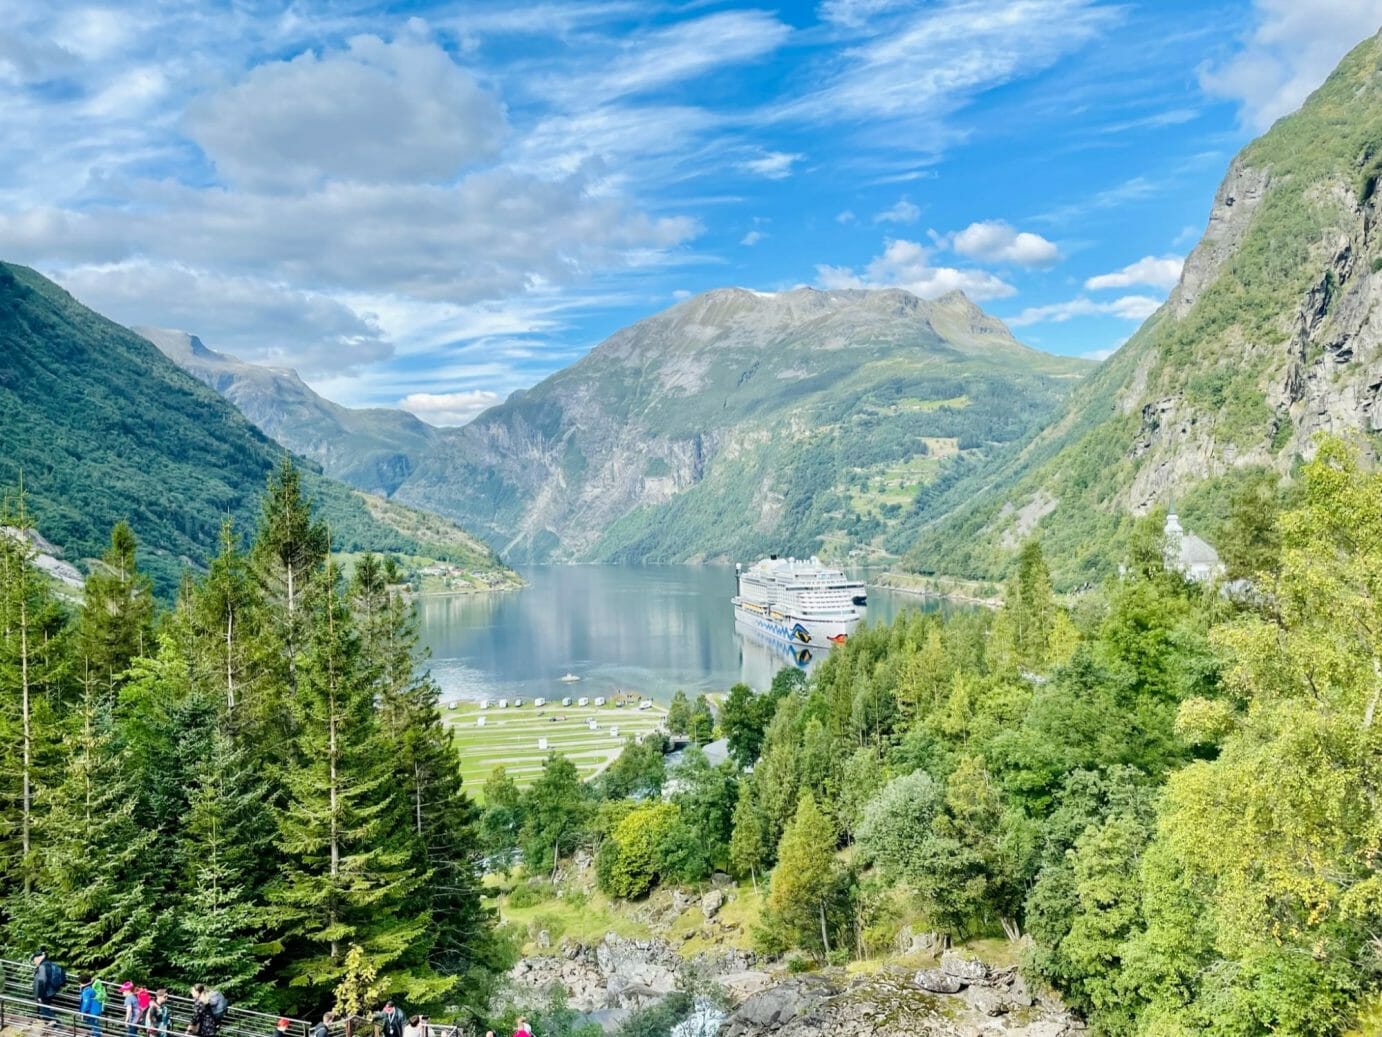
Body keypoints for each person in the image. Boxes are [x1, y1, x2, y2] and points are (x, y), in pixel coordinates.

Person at [32, 951, 64, 1025]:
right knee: (44, 1009)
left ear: (38, 958)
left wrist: (40, 995)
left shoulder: (42, 966)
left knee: (45, 1009)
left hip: (45, 992)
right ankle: (49, 1024)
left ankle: (57, 1024)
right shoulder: (48, 963)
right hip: (50, 991)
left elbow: (42, 981)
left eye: (34, 960)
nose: (34, 962)